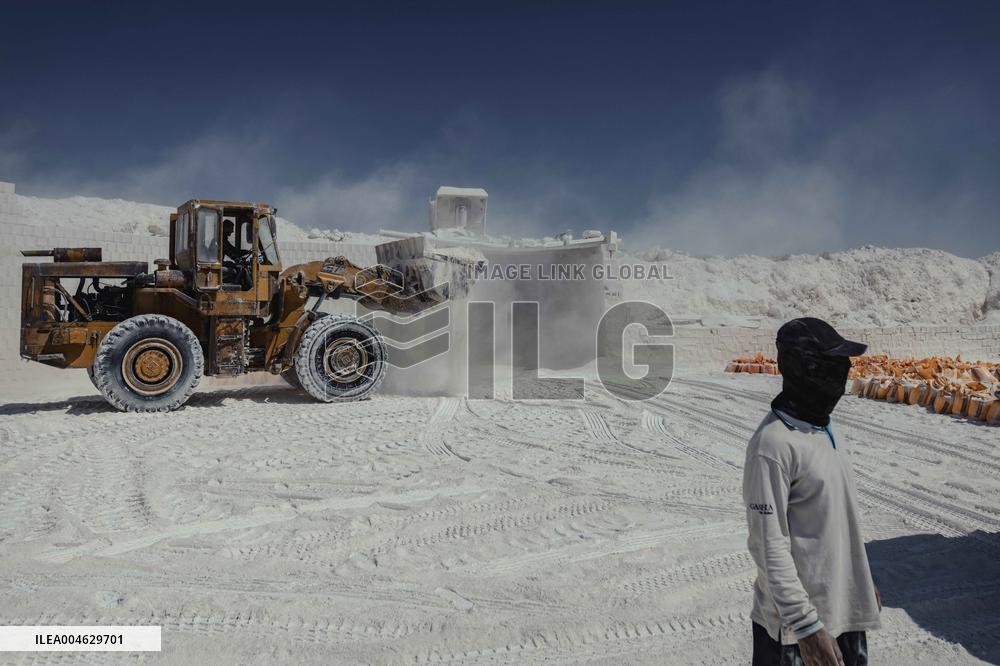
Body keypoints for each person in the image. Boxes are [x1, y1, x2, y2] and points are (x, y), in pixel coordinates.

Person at [744, 317, 882, 666]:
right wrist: (806, 628)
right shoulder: (773, 445)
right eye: (833, 365)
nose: (842, 374)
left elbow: (835, 520)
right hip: (796, 632)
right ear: (804, 368)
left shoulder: (825, 429)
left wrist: (860, 581)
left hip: (842, 615)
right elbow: (768, 545)